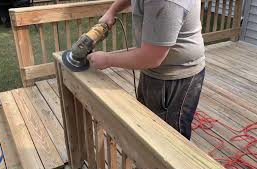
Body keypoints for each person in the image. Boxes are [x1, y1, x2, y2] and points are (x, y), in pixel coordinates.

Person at [87, 0, 205, 141]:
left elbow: (152, 58)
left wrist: (107, 60)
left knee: (170, 140)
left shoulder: (166, 2)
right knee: (147, 125)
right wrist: (112, 11)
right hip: (153, 68)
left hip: (175, 75)